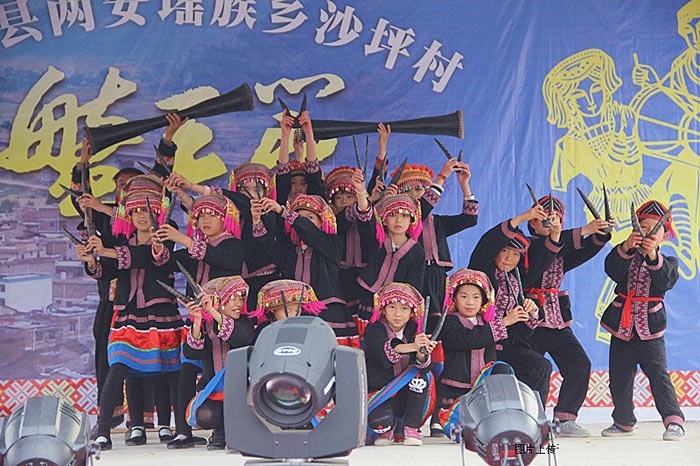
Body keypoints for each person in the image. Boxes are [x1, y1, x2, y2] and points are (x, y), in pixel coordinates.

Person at [76, 175, 184, 451]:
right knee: (121, 368)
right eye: (135, 211)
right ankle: (107, 430)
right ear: (129, 215)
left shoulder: (165, 235)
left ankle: (171, 426)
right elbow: (108, 271)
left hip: (161, 311)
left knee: (165, 369)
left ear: (158, 212)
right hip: (128, 313)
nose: (141, 216)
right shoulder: (122, 239)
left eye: (147, 210)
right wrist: (93, 262)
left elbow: (149, 257)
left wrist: (108, 251)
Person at [155, 192, 244, 449]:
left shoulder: (233, 245)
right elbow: (168, 263)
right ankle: (183, 431)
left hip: (222, 319)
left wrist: (183, 239)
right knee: (186, 371)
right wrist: (160, 248)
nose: (205, 221)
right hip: (197, 320)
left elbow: (223, 259)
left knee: (222, 372)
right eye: (200, 216)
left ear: (225, 219)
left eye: (211, 216)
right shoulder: (194, 249)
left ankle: (225, 430)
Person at [522, 195, 613, 437]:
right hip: (529, 319)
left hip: (556, 320)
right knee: (532, 370)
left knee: (579, 364)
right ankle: (529, 419)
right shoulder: (524, 246)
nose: (552, 223)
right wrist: (585, 230)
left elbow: (584, 250)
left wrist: (601, 233)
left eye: (557, 220)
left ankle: (564, 418)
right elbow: (544, 250)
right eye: (546, 219)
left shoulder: (561, 250)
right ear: (532, 222)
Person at [600, 200, 685, 441]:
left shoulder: (668, 262)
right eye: (643, 226)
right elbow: (611, 270)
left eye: (654, 229)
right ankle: (623, 421)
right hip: (622, 327)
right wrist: (627, 246)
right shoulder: (624, 255)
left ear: (664, 236)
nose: (648, 232)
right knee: (619, 378)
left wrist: (651, 254)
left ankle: (674, 421)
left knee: (659, 376)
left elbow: (666, 280)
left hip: (651, 331)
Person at [468, 205, 556, 407]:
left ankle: (534, 416)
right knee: (500, 372)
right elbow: (487, 244)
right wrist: (523, 217)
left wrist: (531, 312)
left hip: (507, 345)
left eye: (516, 255)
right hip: (481, 343)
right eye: (504, 251)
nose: (509, 258)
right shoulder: (481, 272)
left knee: (540, 366)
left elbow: (521, 333)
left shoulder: (515, 280)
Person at [260, 190, 358, 346]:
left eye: (310, 218)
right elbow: (269, 249)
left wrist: (282, 211)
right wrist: (256, 220)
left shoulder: (332, 244)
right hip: (295, 312)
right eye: (300, 217)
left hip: (328, 312)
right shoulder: (291, 250)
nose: (304, 222)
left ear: (321, 222)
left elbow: (311, 233)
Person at [436, 268, 522, 435]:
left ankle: (506, 419)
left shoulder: (487, 322)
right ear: (454, 298)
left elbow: (516, 337)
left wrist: (530, 313)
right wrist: (504, 323)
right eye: (464, 296)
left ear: (484, 300)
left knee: (501, 368)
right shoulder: (449, 322)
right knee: (459, 427)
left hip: (484, 390)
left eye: (476, 297)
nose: (470, 302)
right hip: (456, 388)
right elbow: (468, 339)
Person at [183, 276, 255, 450]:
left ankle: (237, 432)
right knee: (204, 415)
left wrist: (212, 312)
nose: (239, 304)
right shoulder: (207, 327)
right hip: (215, 390)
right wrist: (197, 321)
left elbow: (241, 338)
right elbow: (192, 353)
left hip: (243, 390)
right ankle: (221, 430)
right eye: (232, 299)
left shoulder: (247, 322)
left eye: (241, 299)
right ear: (219, 301)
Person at [364, 282, 437, 446]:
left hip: (406, 395)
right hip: (380, 393)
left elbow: (423, 366)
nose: (398, 314)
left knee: (420, 379)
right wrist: (414, 346)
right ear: (383, 309)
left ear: (412, 312)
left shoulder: (414, 330)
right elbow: (385, 352)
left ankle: (411, 427)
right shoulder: (374, 329)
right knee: (381, 422)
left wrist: (422, 352)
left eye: (404, 309)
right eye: (392, 307)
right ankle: (387, 430)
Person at [354, 193, 426, 337]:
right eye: (392, 215)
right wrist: (361, 191)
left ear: (412, 220)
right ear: (384, 220)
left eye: (404, 216)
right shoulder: (376, 239)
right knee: (365, 337)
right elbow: (365, 219)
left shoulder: (417, 250)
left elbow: (414, 285)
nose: (399, 220)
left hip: (397, 308)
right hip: (369, 299)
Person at [277, 110, 325, 203]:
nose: (298, 188)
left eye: (303, 183)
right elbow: (282, 174)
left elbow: (313, 174)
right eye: (293, 183)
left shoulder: (317, 205)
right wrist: (285, 135)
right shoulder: (282, 207)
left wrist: (308, 132)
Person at [247, 279, 325, 337]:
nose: (293, 315)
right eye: (287, 311)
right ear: (272, 310)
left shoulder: (304, 327)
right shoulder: (264, 329)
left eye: (297, 310)